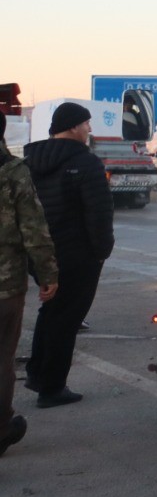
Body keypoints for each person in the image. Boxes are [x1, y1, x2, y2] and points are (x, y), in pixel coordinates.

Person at [21, 102, 113, 408]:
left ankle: (37, 373)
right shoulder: (85, 163)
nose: (89, 129)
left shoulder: (31, 161)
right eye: (86, 124)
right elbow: (98, 213)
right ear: (73, 126)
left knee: (50, 313)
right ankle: (52, 388)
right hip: (78, 255)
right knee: (67, 319)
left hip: (41, 254)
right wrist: (101, 251)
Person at [0, 112, 58, 454]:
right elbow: (34, 229)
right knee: (2, 357)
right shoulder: (13, 172)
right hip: (5, 285)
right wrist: (48, 275)